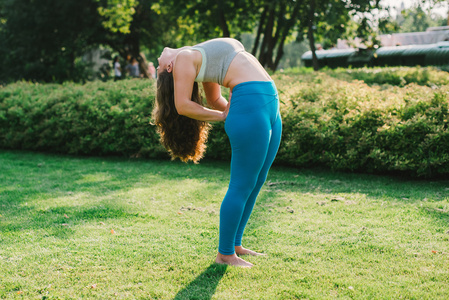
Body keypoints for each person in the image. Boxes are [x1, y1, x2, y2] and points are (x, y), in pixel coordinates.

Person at [152, 38, 282, 268]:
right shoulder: (182, 59)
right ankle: (224, 255)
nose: (156, 63)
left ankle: (235, 245)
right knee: (242, 184)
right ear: (170, 68)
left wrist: (228, 110)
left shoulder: (198, 57)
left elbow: (214, 99)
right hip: (251, 103)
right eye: (158, 67)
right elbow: (182, 105)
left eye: (156, 66)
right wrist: (225, 116)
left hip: (266, 103)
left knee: (258, 179)